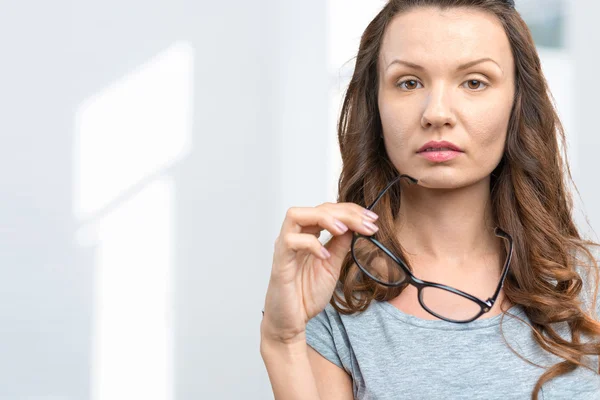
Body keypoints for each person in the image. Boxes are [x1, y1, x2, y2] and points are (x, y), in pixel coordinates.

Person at [260, 0, 600, 398]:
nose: (437, 113)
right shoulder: (329, 298)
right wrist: (281, 340)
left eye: (474, 82)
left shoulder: (588, 288)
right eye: (409, 82)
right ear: (376, 106)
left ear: (517, 104)